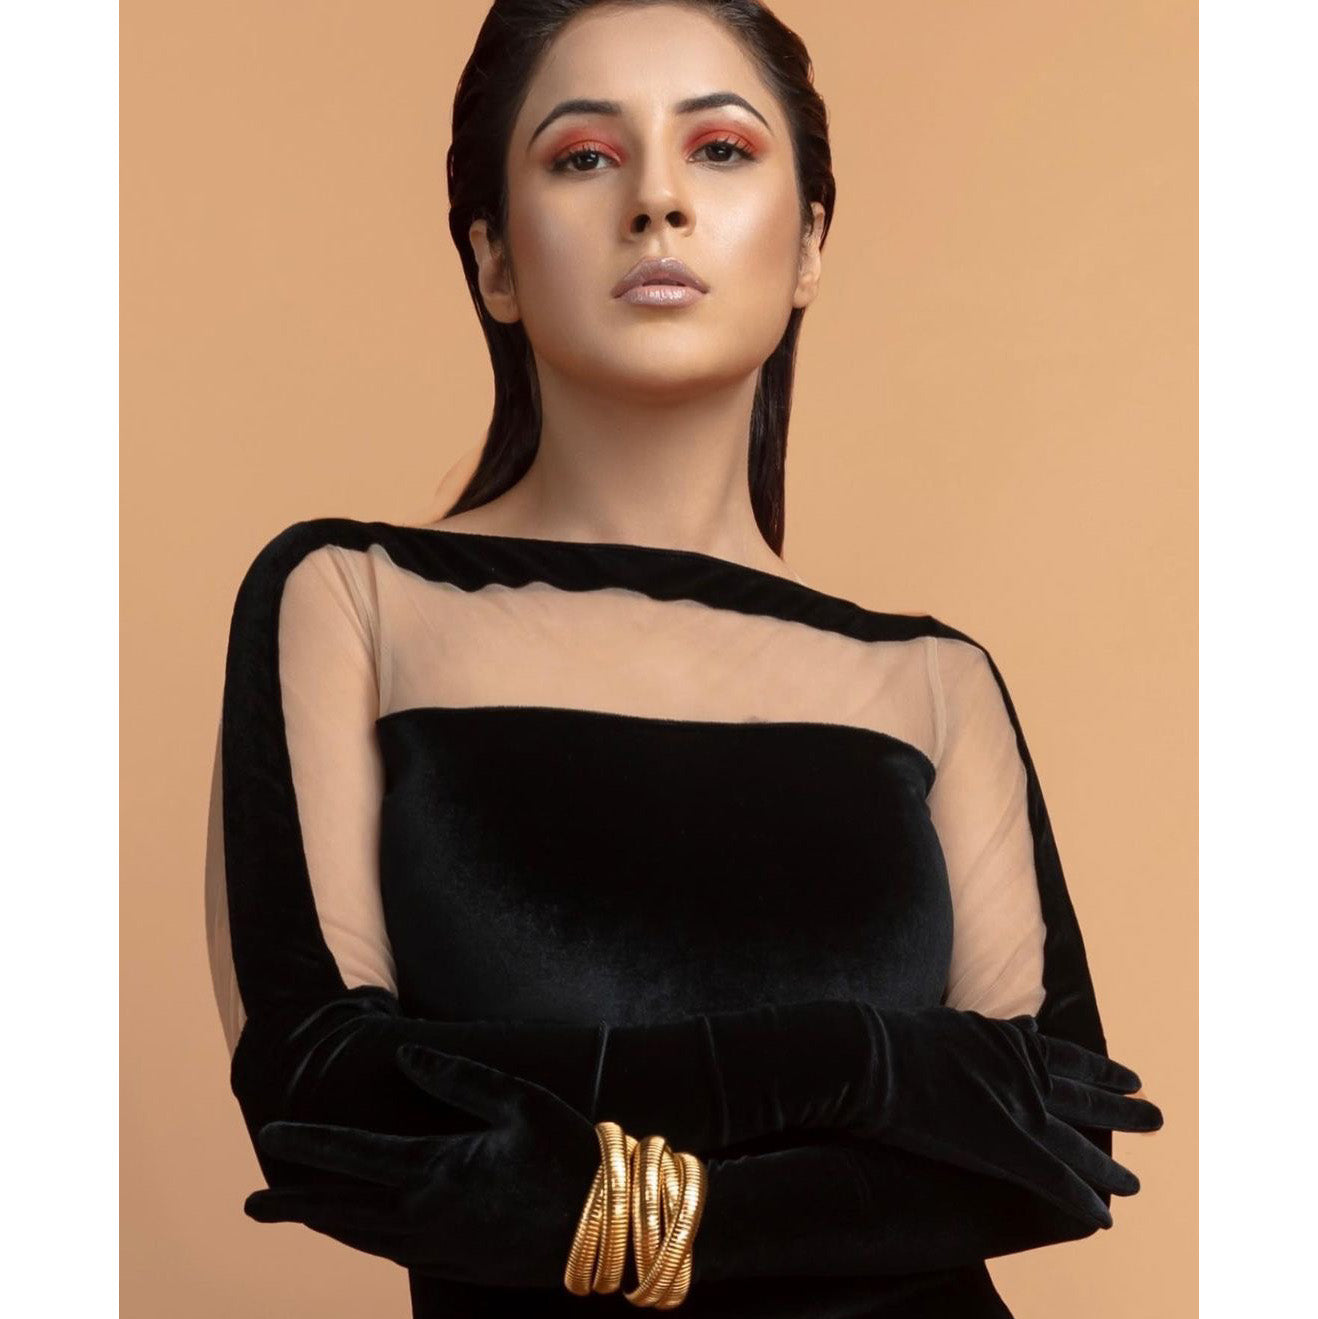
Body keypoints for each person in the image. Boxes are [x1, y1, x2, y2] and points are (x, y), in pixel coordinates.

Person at [204, 2, 1164, 1315]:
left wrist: (591, 1193)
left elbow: (1060, 1145)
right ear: (493, 259)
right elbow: (329, 1100)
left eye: (718, 149)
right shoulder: (355, 602)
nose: (656, 201)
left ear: (808, 241)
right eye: (583, 157)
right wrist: (865, 1068)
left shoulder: (931, 680)